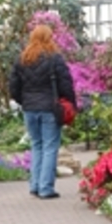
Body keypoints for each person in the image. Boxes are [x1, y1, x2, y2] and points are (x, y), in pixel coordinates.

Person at [9, 24, 76, 199]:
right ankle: (46, 188)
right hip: (50, 108)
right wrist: (71, 104)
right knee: (50, 147)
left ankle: (35, 185)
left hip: (29, 109)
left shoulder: (22, 59)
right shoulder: (55, 59)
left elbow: (13, 87)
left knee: (36, 146)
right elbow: (66, 84)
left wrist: (23, 101)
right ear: (49, 38)